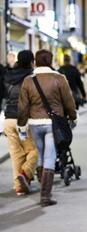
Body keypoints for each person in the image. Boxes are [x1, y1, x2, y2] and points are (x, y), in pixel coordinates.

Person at [17, 49, 77, 207]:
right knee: (50, 156)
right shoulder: (59, 78)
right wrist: (73, 116)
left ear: (35, 62)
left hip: (34, 124)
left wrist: (22, 126)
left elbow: (23, 107)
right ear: (50, 62)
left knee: (41, 155)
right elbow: (68, 101)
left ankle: (42, 186)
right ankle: (45, 196)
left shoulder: (28, 80)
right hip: (52, 123)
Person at [2, 50, 38, 196]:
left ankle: (19, 187)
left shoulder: (7, 75)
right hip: (24, 119)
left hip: (8, 119)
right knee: (34, 151)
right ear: (31, 61)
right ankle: (25, 174)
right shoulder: (31, 76)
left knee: (16, 154)